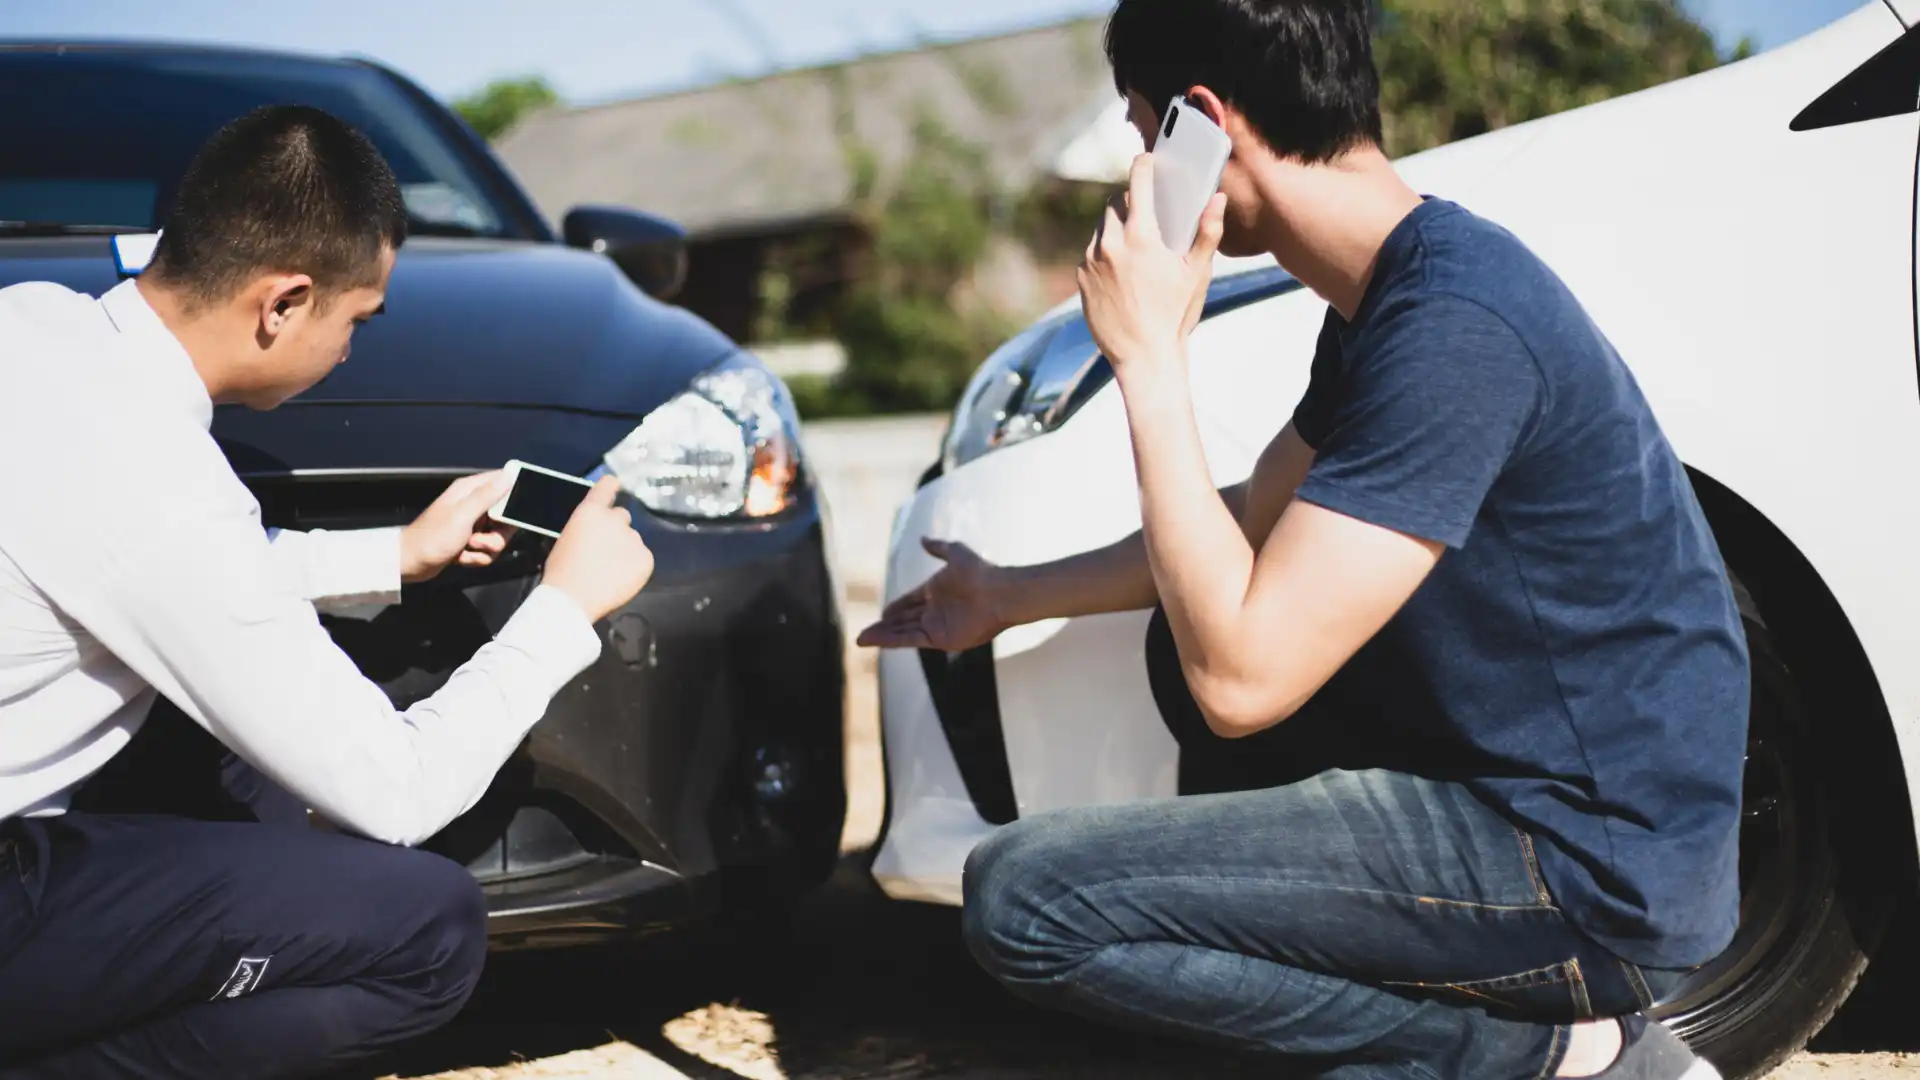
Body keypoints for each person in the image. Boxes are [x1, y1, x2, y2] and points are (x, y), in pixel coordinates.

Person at [858, 2, 1747, 1078]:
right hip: (1552, 819)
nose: (1140, 175)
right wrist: (1010, 593)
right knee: (1176, 666)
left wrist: (1148, 360)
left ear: (1202, 126)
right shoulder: (1404, 291)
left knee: (1025, 901)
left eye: (1146, 141)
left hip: (1580, 869)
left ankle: (1561, 1059)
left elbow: (1242, 678)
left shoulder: (1456, 326)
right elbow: (1247, 521)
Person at [0, 105, 654, 1078]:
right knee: (428, 928)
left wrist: (395, 551)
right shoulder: (162, 480)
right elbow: (396, 792)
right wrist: (565, 608)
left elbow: (154, 572)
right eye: (356, 319)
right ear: (282, 303)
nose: (351, 351)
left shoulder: (38, 325)